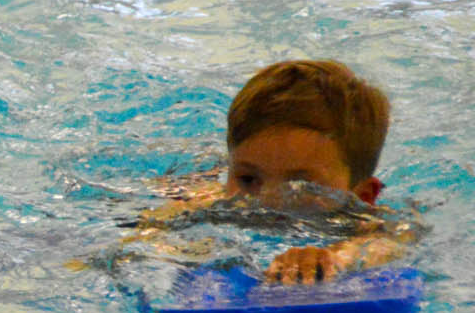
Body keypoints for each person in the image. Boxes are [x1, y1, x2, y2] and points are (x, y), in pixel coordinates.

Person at [140, 59, 407, 283]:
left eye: (299, 185)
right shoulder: (216, 204)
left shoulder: (369, 221)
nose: (268, 200)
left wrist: (337, 257)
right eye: (248, 179)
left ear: (363, 194)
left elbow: (392, 241)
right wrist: (173, 250)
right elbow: (152, 230)